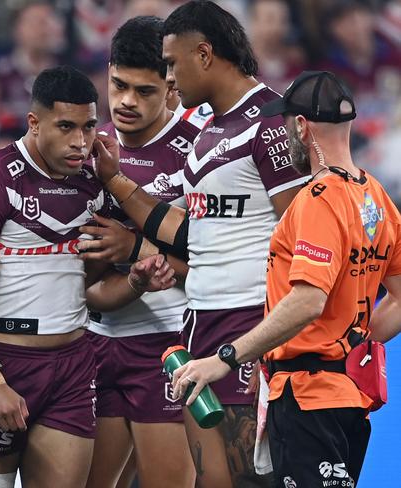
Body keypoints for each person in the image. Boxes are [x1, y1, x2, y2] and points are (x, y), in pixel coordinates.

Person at [82, 2, 308, 486]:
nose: (168, 77)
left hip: (250, 324)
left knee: (255, 479)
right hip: (197, 326)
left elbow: (302, 234)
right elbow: (189, 234)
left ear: (203, 54)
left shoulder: (272, 122)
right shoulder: (209, 135)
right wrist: (117, 183)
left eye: (170, 63)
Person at [0, 65, 175, 488]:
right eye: (66, 127)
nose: (80, 142)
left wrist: (137, 281)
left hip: (72, 366)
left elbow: (92, 291)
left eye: (88, 127)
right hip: (3, 363)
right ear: (34, 122)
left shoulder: (95, 184)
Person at [170, 70, 401, 488]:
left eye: (286, 123)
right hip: (351, 398)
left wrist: (224, 358)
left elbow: (308, 300)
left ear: (300, 126)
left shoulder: (317, 199)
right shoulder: (377, 197)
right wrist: (355, 345)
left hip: (307, 399)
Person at [82, 16, 207, 488]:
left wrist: (136, 246)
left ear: (171, 87)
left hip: (168, 344)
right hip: (95, 340)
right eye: (118, 85)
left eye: (145, 91)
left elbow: (214, 262)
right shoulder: (87, 144)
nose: (127, 101)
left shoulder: (196, 150)